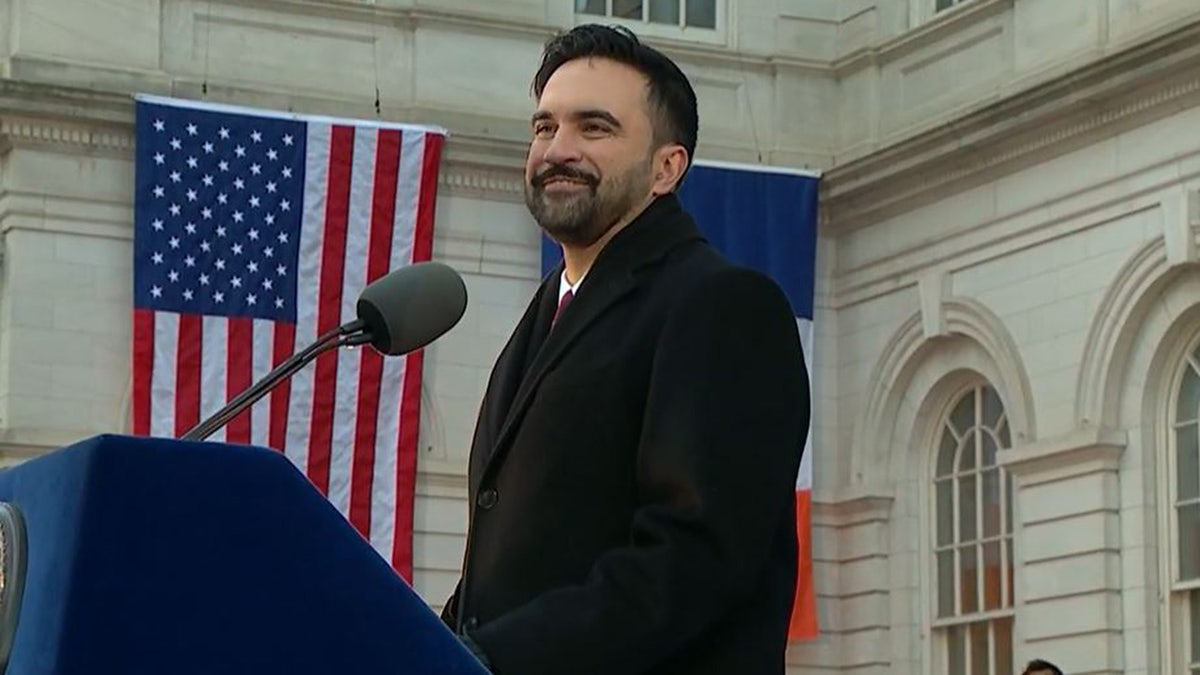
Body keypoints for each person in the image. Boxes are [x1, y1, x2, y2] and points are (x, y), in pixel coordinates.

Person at [440, 23, 811, 675]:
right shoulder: (548, 313)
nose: (558, 149)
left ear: (667, 167)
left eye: (594, 128)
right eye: (544, 127)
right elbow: (510, 577)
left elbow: (695, 556)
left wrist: (494, 656)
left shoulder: (723, 305)